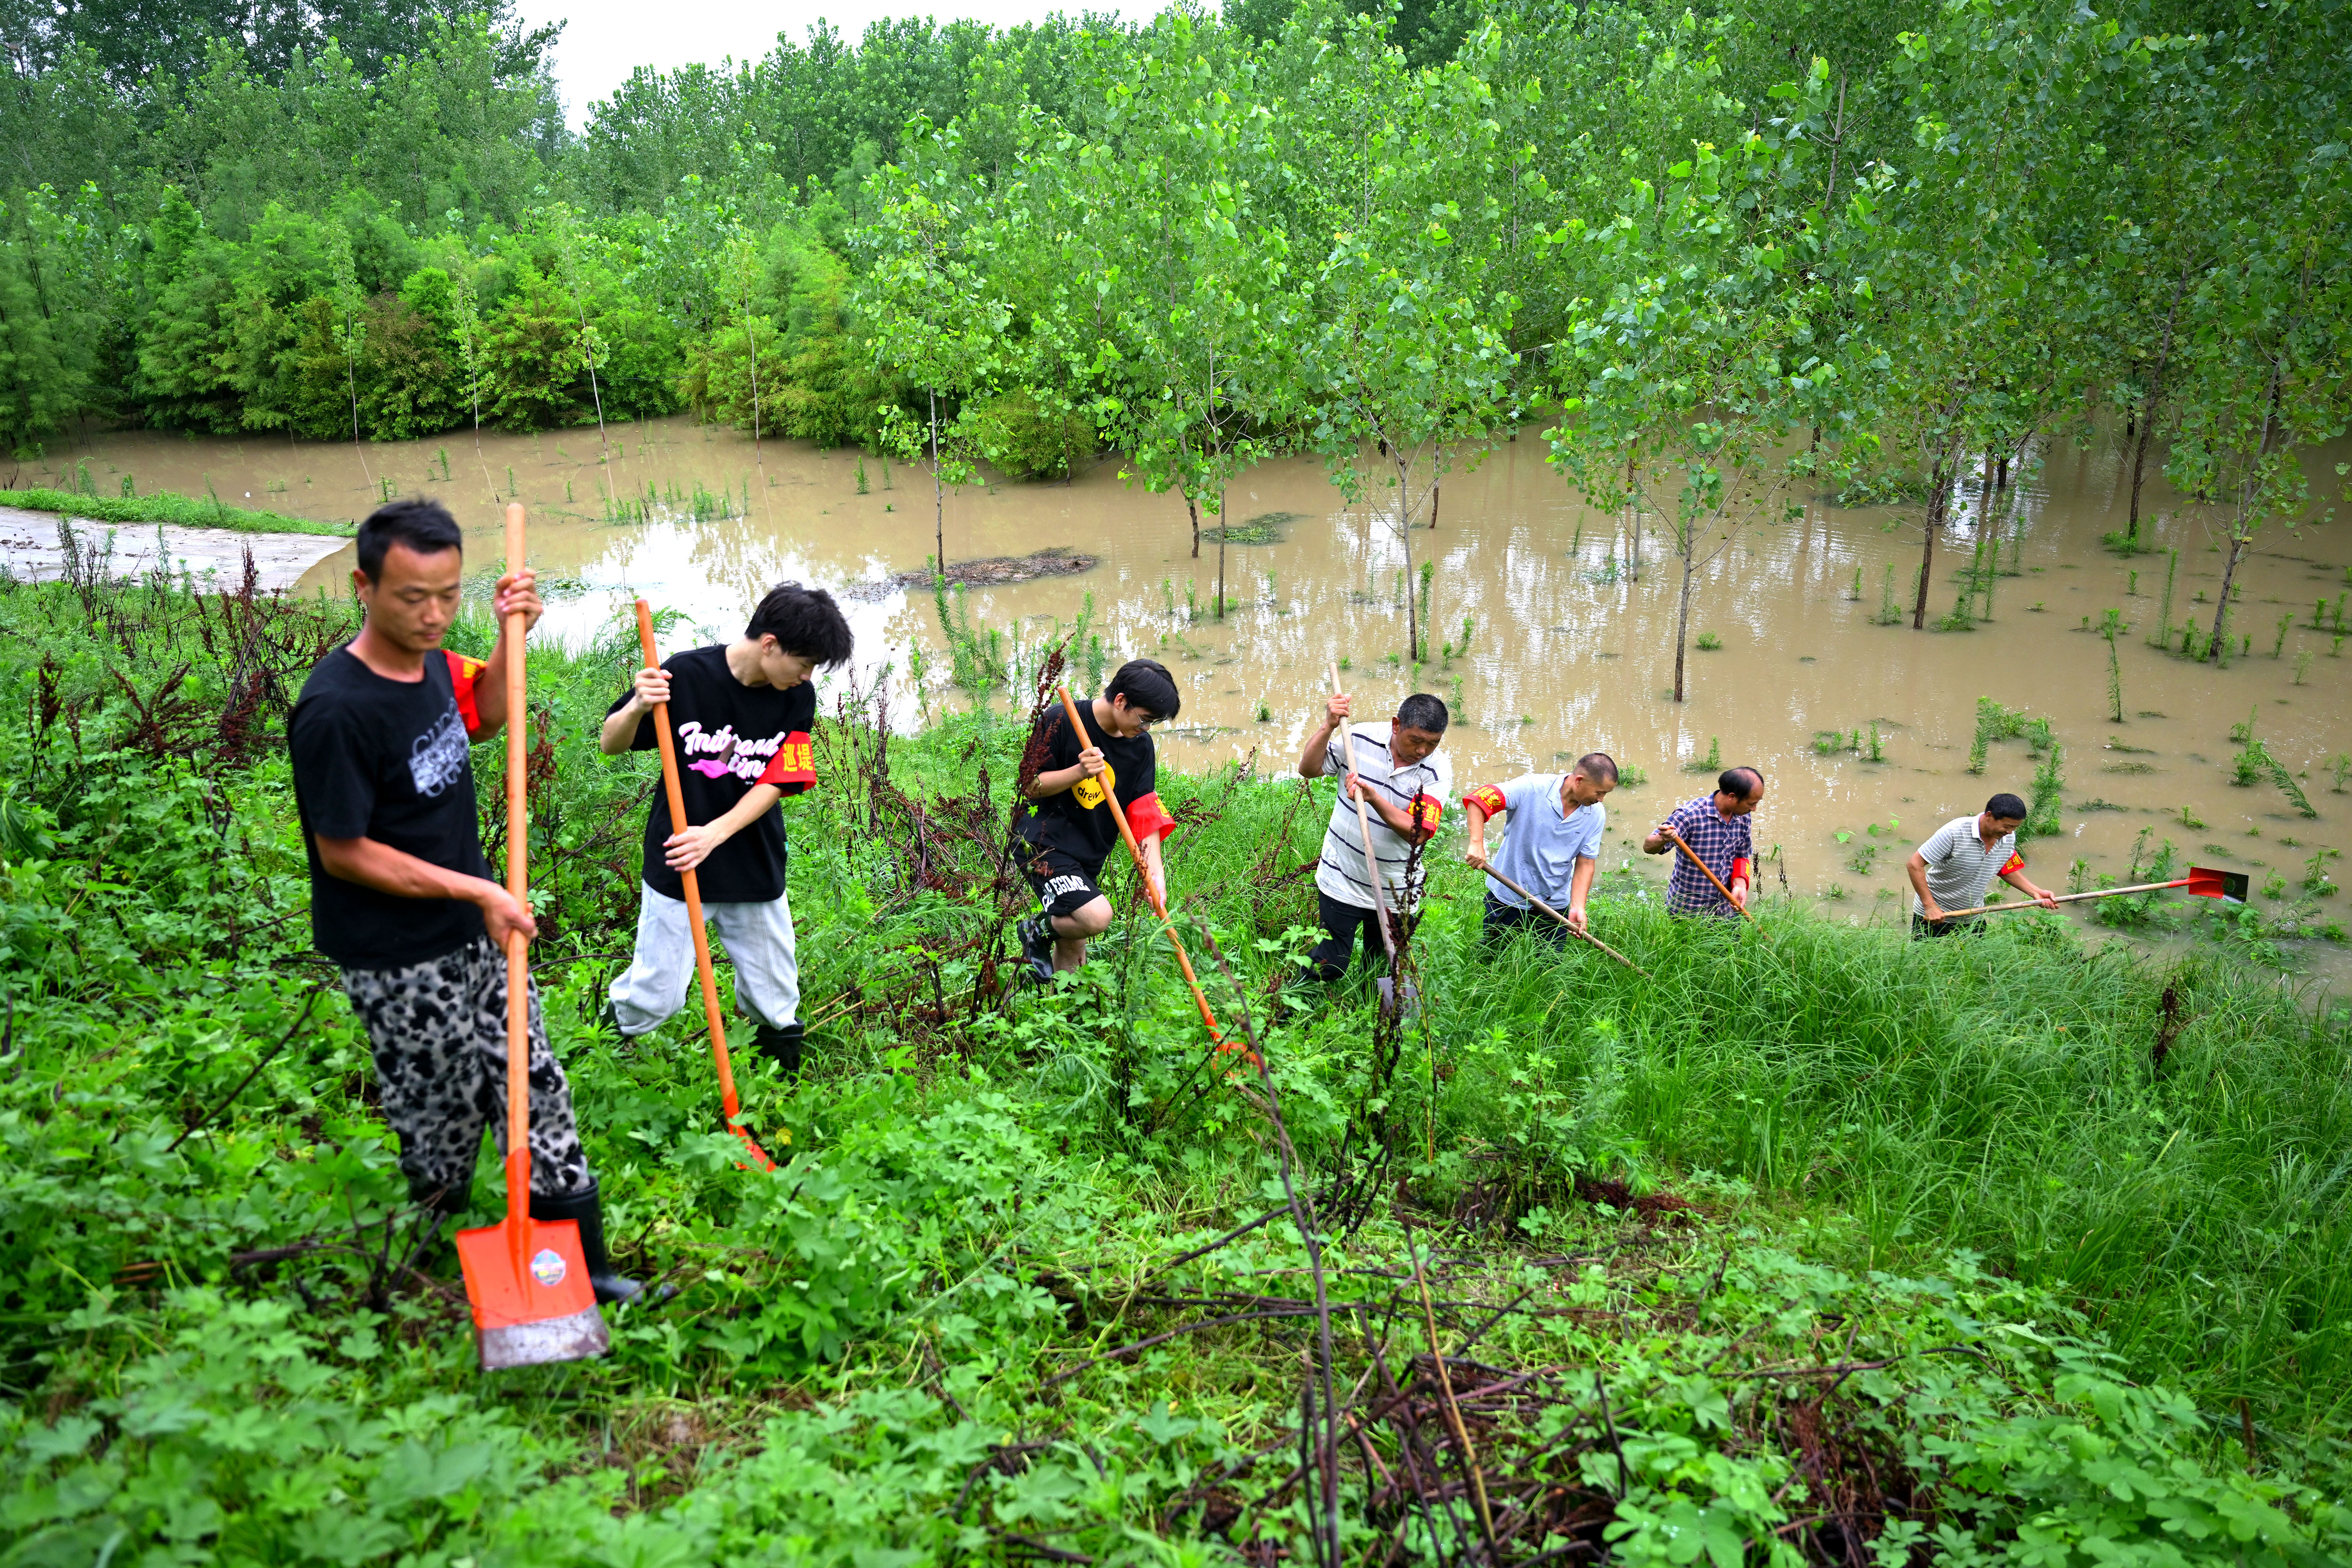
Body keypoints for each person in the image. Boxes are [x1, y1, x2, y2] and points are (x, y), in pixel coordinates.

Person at [288, 498, 645, 1304]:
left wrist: (511, 632)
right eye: (413, 597)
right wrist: (478, 886)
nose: (433, 614)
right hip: (397, 953)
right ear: (364, 587)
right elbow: (342, 850)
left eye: (449, 595)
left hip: (478, 930)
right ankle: (424, 1260)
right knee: (442, 1115)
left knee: (537, 1084)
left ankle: (584, 1273)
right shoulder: (337, 710)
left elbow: (485, 715)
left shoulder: (434, 664)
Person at [598, 583, 853, 1077]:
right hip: (679, 859)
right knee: (656, 996)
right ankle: (600, 1053)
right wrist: (637, 706)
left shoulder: (797, 697)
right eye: (805, 663)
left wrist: (713, 834)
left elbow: (780, 780)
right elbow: (611, 743)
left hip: (753, 860)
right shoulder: (686, 675)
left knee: (775, 996)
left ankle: (778, 1086)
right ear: (770, 644)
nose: (807, 676)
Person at [1014, 660, 1184, 979]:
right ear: (1121, 700)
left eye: (1153, 723)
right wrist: (1079, 772)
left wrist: (1156, 875)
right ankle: (1036, 930)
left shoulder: (1140, 747)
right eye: (1144, 719)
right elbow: (1030, 786)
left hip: (1088, 852)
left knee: (1074, 942)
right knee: (1095, 916)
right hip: (1041, 843)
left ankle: (1065, 1006)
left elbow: (1144, 812)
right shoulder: (1061, 719)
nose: (1146, 729)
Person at [1295, 691, 1452, 984]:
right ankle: (1290, 1003)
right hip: (1342, 875)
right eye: (1416, 740)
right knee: (1330, 960)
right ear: (1396, 725)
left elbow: (1418, 833)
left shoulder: (1437, 770)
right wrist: (1328, 726)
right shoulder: (1357, 738)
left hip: (1396, 888)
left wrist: (1374, 799)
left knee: (1381, 968)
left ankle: (1372, 1011)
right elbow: (1309, 769)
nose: (1423, 751)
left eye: (1433, 743)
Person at [1464, 753, 1618, 943]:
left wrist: (1578, 906)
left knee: (1551, 960)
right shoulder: (1532, 787)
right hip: (1508, 896)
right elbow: (1479, 800)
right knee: (1493, 955)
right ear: (1579, 781)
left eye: (1605, 794)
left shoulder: (1596, 814)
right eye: (1599, 792)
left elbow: (1586, 863)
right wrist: (1477, 843)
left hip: (1554, 906)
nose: (1601, 799)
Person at [1906, 792, 2060, 938]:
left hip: (1973, 915)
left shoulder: (2008, 838)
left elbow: (2005, 869)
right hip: (1936, 916)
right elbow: (1914, 864)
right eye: (2007, 826)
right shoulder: (1955, 832)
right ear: (1989, 816)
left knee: (1976, 958)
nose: (2010, 832)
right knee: (1924, 957)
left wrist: (2036, 892)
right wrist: (1930, 907)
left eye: (2015, 828)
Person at [1643, 767, 1766, 918]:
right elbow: (1648, 847)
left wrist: (1739, 884)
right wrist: (1662, 838)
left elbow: (1741, 855)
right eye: (1751, 803)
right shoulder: (1690, 815)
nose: (1754, 809)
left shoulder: (1743, 816)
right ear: (1732, 797)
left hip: (1727, 910)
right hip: (1689, 911)